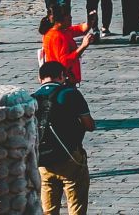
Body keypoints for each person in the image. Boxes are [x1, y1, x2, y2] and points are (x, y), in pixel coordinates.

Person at [34, 59, 95, 215]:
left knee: (48, 209)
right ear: (62, 76)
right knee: (76, 205)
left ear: (40, 78)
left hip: (43, 161)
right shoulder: (70, 93)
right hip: (70, 156)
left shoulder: (32, 98)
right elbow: (89, 125)